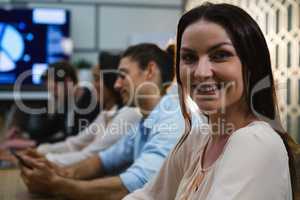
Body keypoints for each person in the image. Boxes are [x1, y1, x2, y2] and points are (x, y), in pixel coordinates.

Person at [124, 3, 297, 200]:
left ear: (251, 64)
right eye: (189, 57)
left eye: (220, 55)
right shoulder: (196, 139)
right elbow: (148, 196)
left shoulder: (254, 141)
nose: (201, 72)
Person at [19, 43, 185, 200]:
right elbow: (103, 160)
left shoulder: (172, 119)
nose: (117, 85)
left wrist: (58, 185)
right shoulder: (145, 120)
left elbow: (135, 184)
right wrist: (57, 173)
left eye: (122, 75)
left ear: (149, 70)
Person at [36, 65, 142, 166]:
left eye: (96, 79)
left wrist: (43, 158)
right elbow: (73, 143)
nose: (93, 85)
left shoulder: (127, 114)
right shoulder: (105, 113)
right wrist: (41, 151)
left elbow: (90, 155)